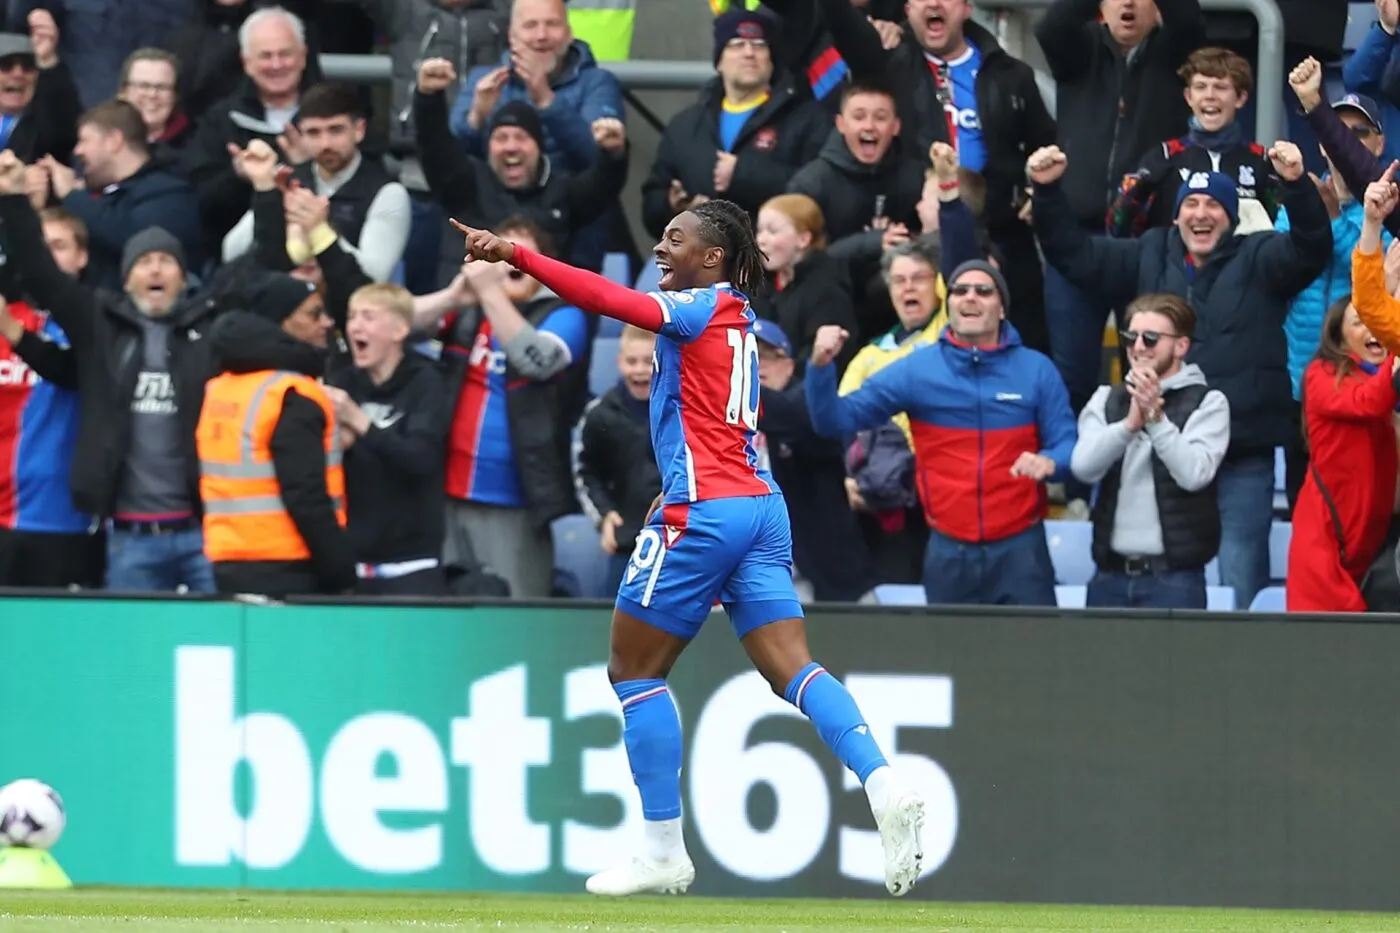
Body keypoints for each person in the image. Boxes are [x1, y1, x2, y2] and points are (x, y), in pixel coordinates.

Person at [450, 198, 926, 898]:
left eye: (676, 239)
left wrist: (515, 255)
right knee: (792, 667)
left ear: (713, 256)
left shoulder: (697, 305)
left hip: (704, 511)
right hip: (759, 505)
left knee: (633, 671)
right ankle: (883, 781)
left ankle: (662, 849)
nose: (661, 249)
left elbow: (606, 296)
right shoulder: (742, 319)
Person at [806, 260, 1077, 607]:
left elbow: (1069, 445)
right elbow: (834, 420)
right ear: (948, 305)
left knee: (1031, 659)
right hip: (948, 551)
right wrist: (819, 367)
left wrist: (1051, 461)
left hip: (1021, 550)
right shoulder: (917, 369)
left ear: (1002, 307)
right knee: (950, 660)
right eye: (959, 291)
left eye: (983, 291)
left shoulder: (1037, 369)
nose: (970, 298)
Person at [197, 271, 355, 596]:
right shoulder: (291, 393)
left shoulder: (221, 386)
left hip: (229, 558)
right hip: (290, 564)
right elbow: (304, 493)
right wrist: (340, 569)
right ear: (281, 322)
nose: (326, 322)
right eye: (313, 313)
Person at [1069, 293, 1230, 610]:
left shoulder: (1209, 401)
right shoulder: (1106, 397)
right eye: (1131, 337)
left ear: (1181, 346)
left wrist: (1155, 419)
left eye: (1151, 338)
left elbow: (1195, 474)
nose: (1138, 347)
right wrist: (1128, 426)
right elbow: (1082, 467)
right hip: (1108, 576)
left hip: (1175, 580)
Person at [1287, 297, 1400, 612]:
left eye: (1376, 321)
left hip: (1372, 540)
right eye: (1358, 322)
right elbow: (1370, 401)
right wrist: (1397, 349)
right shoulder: (1322, 375)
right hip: (1327, 539)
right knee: (1333, 645)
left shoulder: (1384, 379)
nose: (1372, 327)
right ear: (1339, 338)